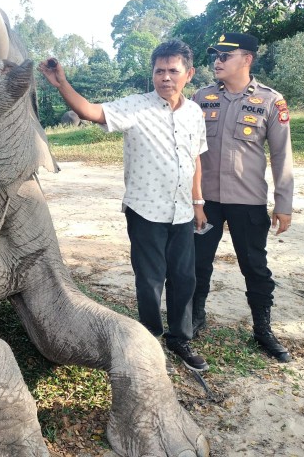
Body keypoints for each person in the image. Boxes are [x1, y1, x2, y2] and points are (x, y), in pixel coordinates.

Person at [39, 40, 209, 372]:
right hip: (145, 210)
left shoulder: (194, 113)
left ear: (188, 74)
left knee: (185, 278)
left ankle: (180, 338)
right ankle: (149, 338)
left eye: (173, 71)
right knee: (149, 281)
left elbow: (195, 159)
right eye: (159, 71)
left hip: (183, 212)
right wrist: (61, 83)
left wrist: (198, 201)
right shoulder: (136, 107)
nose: (165, 78)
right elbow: (90, 110)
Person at [191, 32, 293, 363]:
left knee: (254, 265)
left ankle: (263, 329)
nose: (217, 61)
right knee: (196, 263)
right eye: (215, 55)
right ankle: (194, 318)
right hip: (204, 202)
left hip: (247, 200)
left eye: (225, 56)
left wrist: (284, 203)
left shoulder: (270, 101)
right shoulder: (200, 98)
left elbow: (281, 155)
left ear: (246, 60)